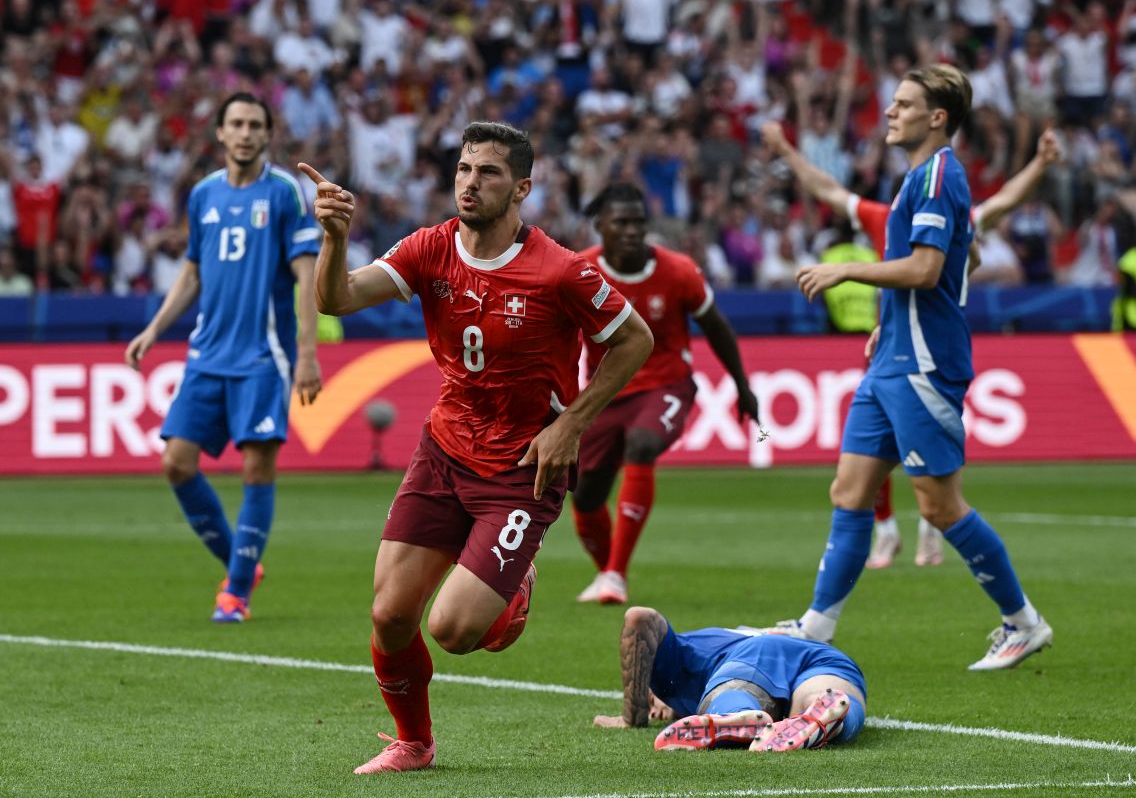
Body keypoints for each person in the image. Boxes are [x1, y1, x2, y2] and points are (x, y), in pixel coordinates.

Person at [300, 121, 653, 774]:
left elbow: (634, 339)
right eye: (464, 169)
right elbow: (337, 297)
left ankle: (513, 585)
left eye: (487, 172)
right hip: (444, 448)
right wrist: (335, 234)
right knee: (389, 616)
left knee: (456, 631)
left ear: (521, 187)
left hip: (523, 468)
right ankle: (414, 744)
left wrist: (572, 423)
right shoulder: (430, 249)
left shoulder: (559, 269)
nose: (470, 182)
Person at [783, 65, 1053, 670]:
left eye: (903, 104)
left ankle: (1022, 622)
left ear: (937, 117)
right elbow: (965, 254)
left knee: (939, 506)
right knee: (849, 490)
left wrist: (845, 271)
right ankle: (816, 627)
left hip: (925, 365)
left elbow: (928, 269)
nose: (890, 112)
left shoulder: (936, 176)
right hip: (892, 359)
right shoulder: (917, 179)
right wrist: (893, 312)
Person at [761, 121, 1063, 571]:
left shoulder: (949, 211)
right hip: (891, 346)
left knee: (928, 464)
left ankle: (933, 533)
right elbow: (825, 188)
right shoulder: (887, 216)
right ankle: (885, 537)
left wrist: (1039, 163)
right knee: (867, 451)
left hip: (932, 350)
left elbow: (1003, 203)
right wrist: (786, 148)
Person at [124, 93, 322, 623]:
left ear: (267, 134)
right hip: (206, 354)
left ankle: (234, 593)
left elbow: (307, 276)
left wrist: (308, 354)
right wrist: (154, 328)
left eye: (255, 125)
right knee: (176, 462)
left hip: (263, 355)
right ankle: (241, 563)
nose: (245, 133)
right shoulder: (203, 195)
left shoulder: (285, 193)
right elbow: (192, 270)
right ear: (219, 133)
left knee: (256, 469)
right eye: (235, 123)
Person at [572, 183, 759, 605]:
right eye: (622, 222)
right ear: (600, 226)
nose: (633, 230)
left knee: (642, 444)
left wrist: (742, 386)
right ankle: (606, 573)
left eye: (639, 221)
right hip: (604, 394)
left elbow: (717, 328)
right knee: (584, 496)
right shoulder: (580, 272)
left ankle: (616, 575)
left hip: (666, 383)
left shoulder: (678, 271)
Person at [593, 606, 866, 752]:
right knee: (827, 699)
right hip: (823, 658)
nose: (654, 711)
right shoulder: (734, 634)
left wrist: (633, 717)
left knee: (733, 695)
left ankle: (736, 714)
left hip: (748, 656)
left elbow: (639, 617)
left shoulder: (676, 663)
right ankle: (821, 720)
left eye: (651, 700)